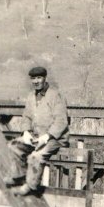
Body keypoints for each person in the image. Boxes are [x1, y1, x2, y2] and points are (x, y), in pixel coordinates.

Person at [9, 65, 69, 196]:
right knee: (14, 146)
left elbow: (61, 121)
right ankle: (20, 176)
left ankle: (30, 186)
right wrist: (26, 132)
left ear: (44, 78)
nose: (36, 81)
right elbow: (26, 117)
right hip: (36, 137)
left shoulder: (55, 95)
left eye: (39, 78)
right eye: (33, 78)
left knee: (36, 156)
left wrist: (46, 137)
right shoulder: (31, 96)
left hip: (54, 139)